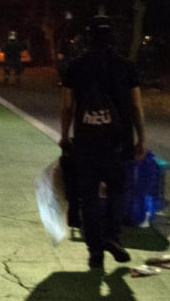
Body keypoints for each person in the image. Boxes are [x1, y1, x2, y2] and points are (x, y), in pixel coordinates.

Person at [60, 15, 147, 269]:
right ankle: (112, 236)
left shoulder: (75, 67)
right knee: (119, 190)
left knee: (87, 196)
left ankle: (94, 251)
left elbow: (67, 107)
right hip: (118, 142)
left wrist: (65, 135)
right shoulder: (126, 67)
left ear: (88, 37)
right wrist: (141, 138)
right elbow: (136, 106)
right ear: (113, 37)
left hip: (86, 142)